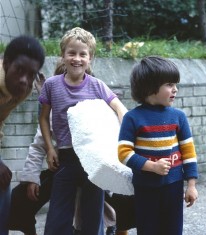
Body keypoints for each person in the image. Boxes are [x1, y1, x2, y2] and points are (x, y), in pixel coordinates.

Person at [39, 27, 127, 235]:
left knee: (93, 213)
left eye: (82, 54)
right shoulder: (51, 85)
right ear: (63, 55)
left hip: (93, 158)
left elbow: (120, 109)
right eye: (72, 53)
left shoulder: (97, 86)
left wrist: (123, 141)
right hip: (65, 157)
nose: (76, 59)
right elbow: (43, 117)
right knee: (58, 214)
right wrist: (50, 149)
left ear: (90, 58)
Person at [118, 56, 199, 235]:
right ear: (150, 87)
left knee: (173, 229)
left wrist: (191, 185)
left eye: (175, 84)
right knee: (148, 229)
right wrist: (151, 166)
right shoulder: (132, 118)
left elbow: (188, 152)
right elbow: (123, 153)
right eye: (170, 84)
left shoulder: (178, 117)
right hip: (145, 187)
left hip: (174, 185)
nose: (175, 89)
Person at [0, 35, 45, 235]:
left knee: (2, 184)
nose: (24, 80)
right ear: (6, 64)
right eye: (19, 70)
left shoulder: (22, 89)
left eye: (31, 74)